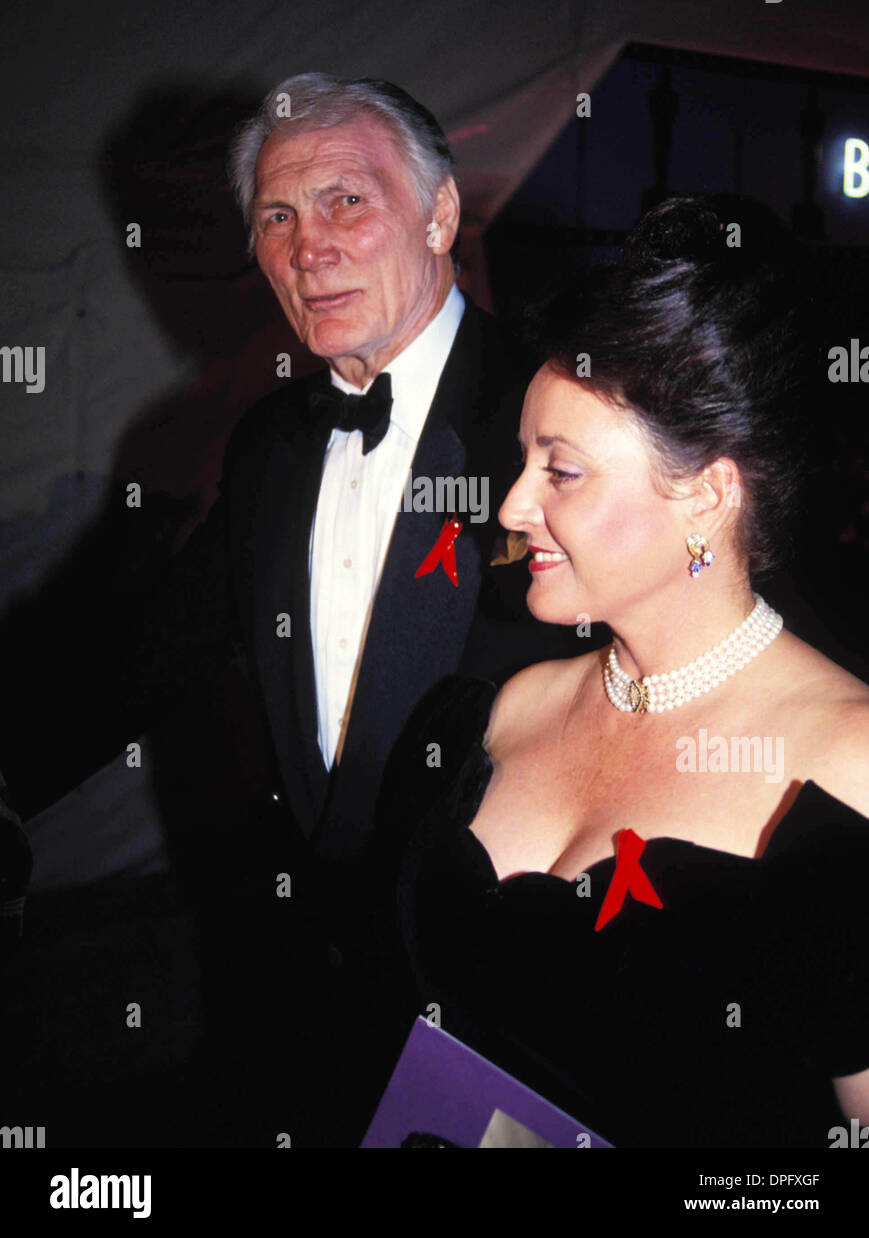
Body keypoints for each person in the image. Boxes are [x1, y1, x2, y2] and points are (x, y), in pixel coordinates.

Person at [0, 74, 580, 1147]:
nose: (308, 246)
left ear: (439, 214)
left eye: (345, 201)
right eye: (277, 214)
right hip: (307, 991)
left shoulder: (566, 419)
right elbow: (155, 649)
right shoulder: (271, 442)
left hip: (518, 1005)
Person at [381, 196, 869, 1148]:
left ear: (705, 496)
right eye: (521, 460)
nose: (513, 506)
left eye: (559, 472)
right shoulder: (503, 710)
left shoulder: (849, 764)